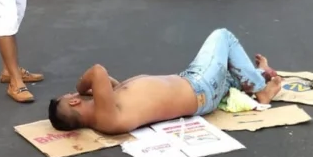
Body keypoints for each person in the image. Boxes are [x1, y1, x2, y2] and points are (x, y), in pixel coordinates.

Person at [48, 29, 284, 135]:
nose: (72, 94)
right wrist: (80, 87)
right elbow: (97, 72)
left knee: (233, 71)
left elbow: (113, 84)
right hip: (198, 85)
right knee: (223, 37)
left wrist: (96, 92)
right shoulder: (105, 116)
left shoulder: (106, 112)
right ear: (74, 102)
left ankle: (257, 74)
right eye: (69, 96)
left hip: (197, 86)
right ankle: (261, 89)